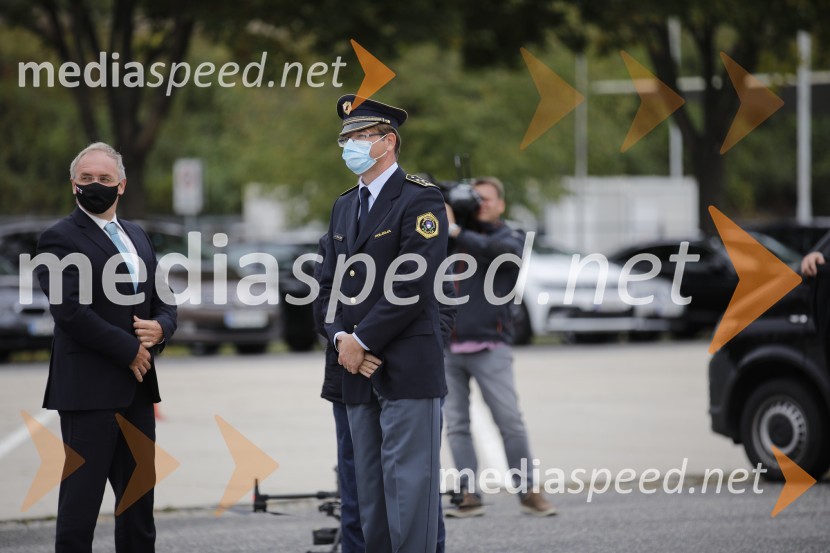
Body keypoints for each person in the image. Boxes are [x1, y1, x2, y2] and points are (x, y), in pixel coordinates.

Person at [319, 94, 449, 553]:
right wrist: (340, 339)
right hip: (353, 369)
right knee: (369, 502)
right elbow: (326, 287)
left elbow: (412, 283)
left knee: (409, 498)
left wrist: (363, 339)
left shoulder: (420, 199)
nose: (349, 146)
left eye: (358, 137)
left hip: (406, 368)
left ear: (387, 141)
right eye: (345, 139)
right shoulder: (343, 206)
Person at [35, 142, 177, 552]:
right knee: (81, 505)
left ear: (122, 185)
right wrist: (129, 349)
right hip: (89, 389)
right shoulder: (58, 238)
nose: (95, 185)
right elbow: (70, 312)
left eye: (104, 179)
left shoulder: (137, 234)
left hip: (137, 389)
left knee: (137, 506)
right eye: (86, 179)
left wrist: (161, 329)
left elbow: (165, 298)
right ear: (73, 185)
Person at [443, 176, 557, 518]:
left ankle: (528, 492)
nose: (481, 204)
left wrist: (459, 232)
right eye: (474, 199)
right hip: (448, 348)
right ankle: (469, 495)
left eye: (487, 199)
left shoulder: (509, 236)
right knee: (456, 425)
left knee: (509, 421)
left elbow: (505, 255)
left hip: (491, 346)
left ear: (501, 204)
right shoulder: (450, 236)